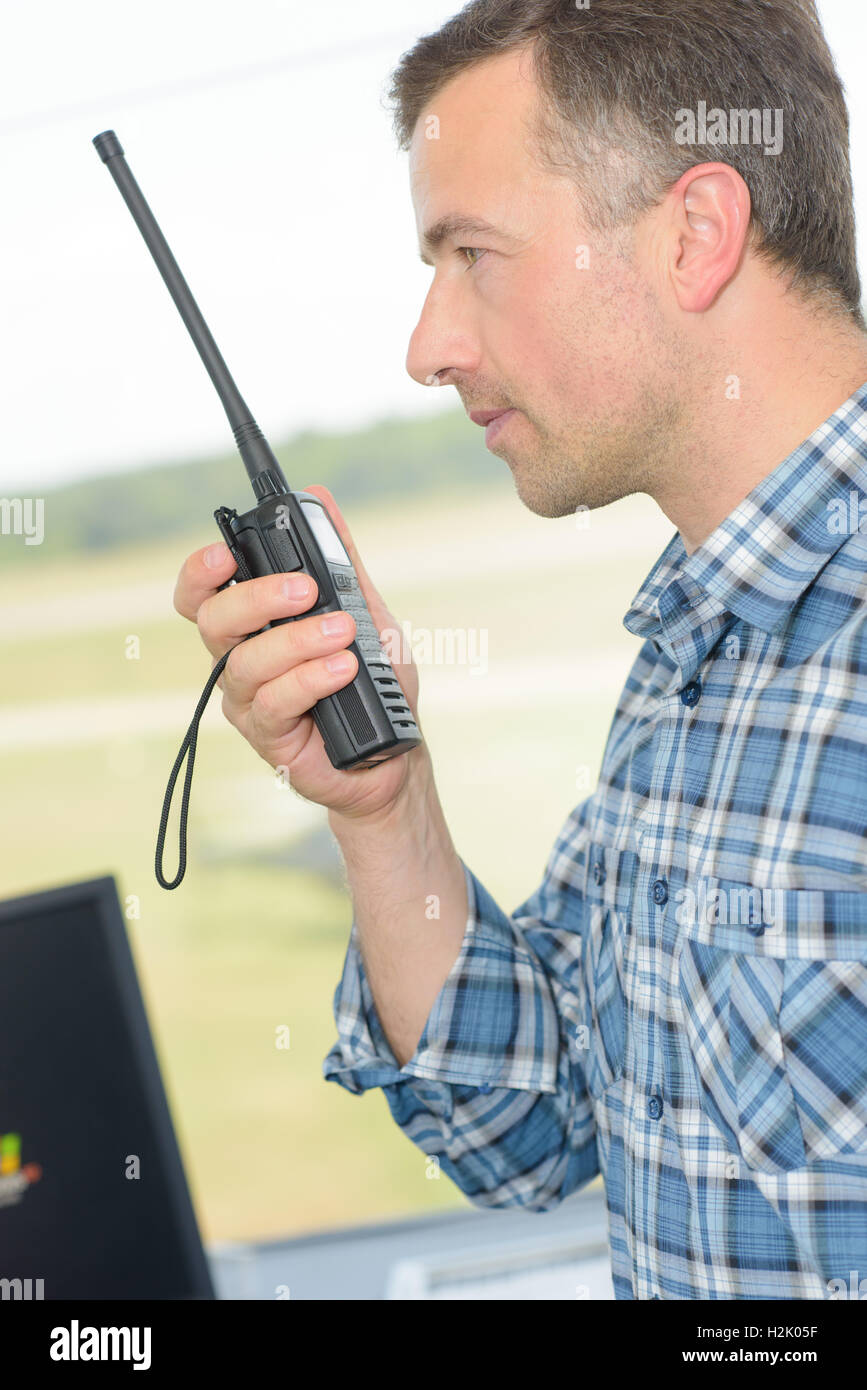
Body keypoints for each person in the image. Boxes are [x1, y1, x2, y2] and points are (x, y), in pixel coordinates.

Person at [172, 0, 867, 1299]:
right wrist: (384, 810)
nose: (428, 346)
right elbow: (536, 1126)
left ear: (694, 234)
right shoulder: (693, 644)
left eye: (473, 254)